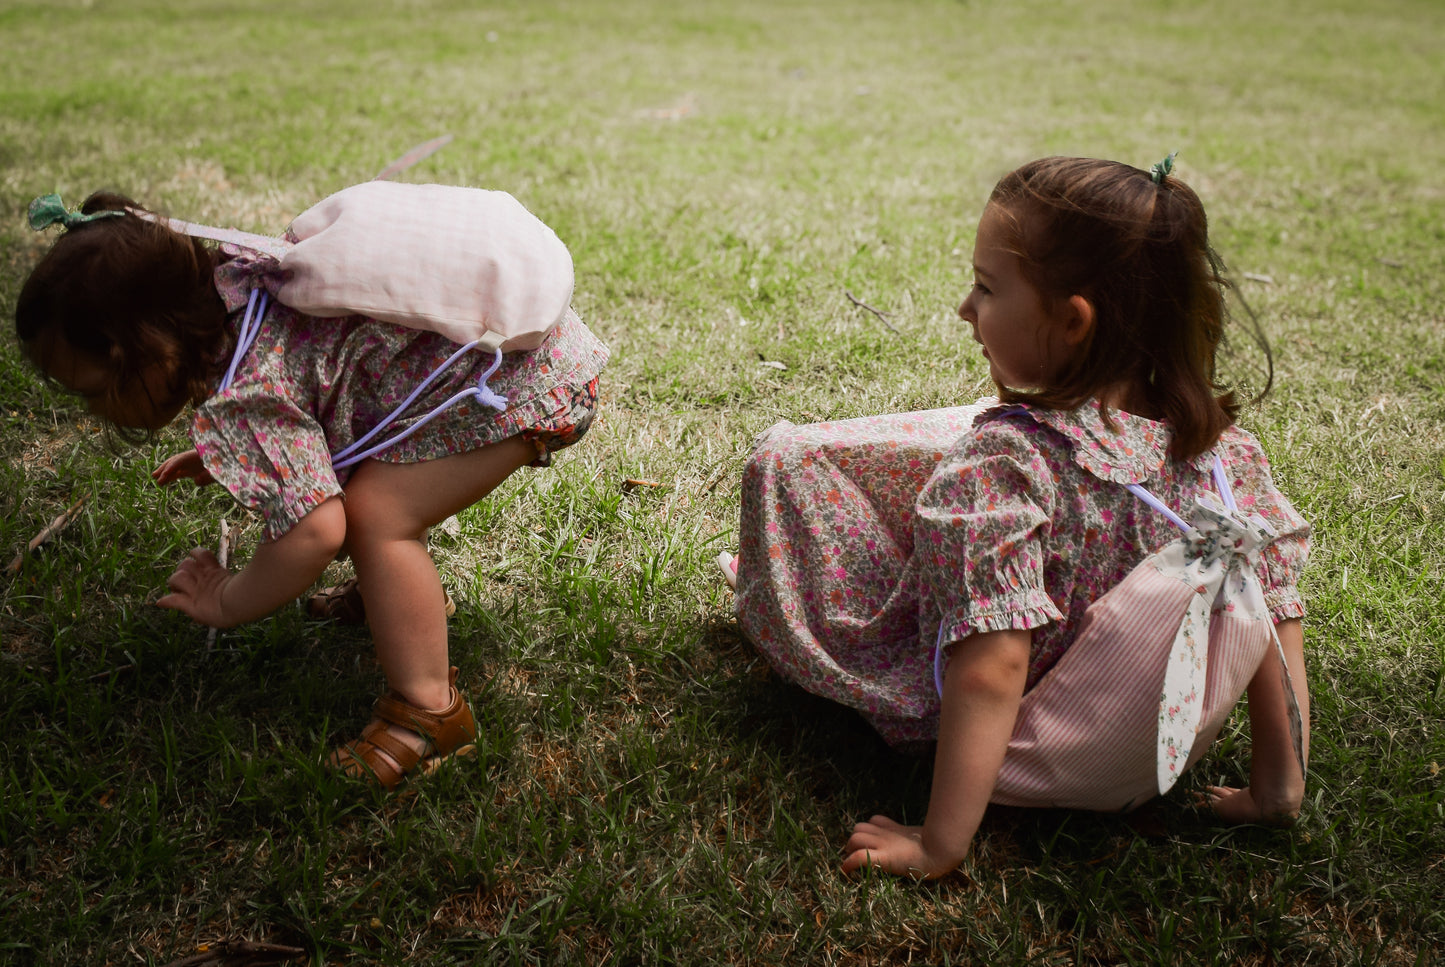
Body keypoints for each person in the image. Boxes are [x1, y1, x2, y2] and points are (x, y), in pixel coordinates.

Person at [727, 156, 1310, 879]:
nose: (964, 309)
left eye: (985, 286)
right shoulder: (1228, 461)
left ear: (1071, 321)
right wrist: (1275, 789)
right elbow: (1271, 620)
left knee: (787, 464)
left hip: (1018, 734)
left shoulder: (1005, 465)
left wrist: (940, 843)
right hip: (1144, 734)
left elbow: (992, 667)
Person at [15, 189, 609, 790]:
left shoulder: (246, 392)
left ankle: (430, 712)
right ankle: (398, 603)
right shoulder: (239, 291)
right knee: (368, 491)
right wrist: (238, 454)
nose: (96, 411)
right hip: (526, 358)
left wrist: (230, 598)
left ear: (145, 350)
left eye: (93, 390)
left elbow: (315, 531)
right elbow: (310, 401)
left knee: (379, 516)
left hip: (516, 388)